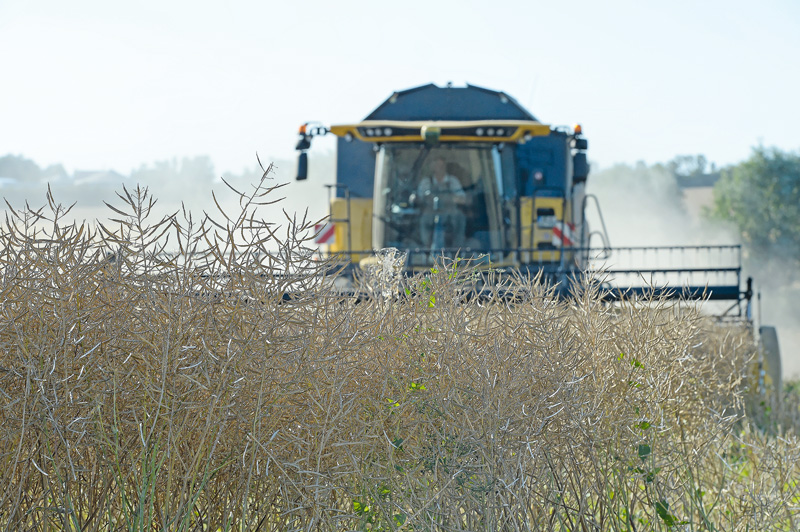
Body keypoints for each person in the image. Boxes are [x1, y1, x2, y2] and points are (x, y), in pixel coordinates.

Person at [412, 157, 467, 249]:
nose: (439, 168)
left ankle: (457, 250)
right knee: (422, 221)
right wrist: (425, 198)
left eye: (442, 165)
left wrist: (449, 199)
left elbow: (463, 199)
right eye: (437, 165)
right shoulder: (426, 182)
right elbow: (418, 198)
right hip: (430, 214)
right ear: (432, 167)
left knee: (460, 218)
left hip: (450, 214)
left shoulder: (453, 181)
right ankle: (426, 248)